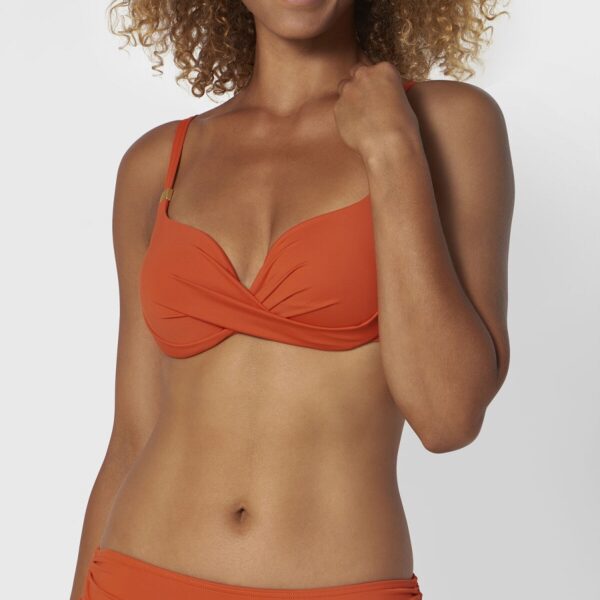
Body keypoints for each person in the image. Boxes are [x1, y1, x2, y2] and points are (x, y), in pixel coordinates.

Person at [71, 1, 514, 598]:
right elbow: (131, 438)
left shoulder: (446, 124)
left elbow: (447, 417)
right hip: (136, 575)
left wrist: (391, 149)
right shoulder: (157, 164)